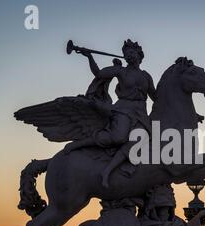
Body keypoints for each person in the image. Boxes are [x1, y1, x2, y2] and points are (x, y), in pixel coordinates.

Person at [64, 39, 156, 186]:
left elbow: (156, 97)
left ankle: (112, 169)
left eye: (132, 52)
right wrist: (89, 57)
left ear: (139, 55)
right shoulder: (121, 71)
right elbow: (99, 74)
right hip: (124, 110)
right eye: (126, 53)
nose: (129, 56)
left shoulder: (146, 76)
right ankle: (79, 144)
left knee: (142, 140)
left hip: (141, 114)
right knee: (118, 137)